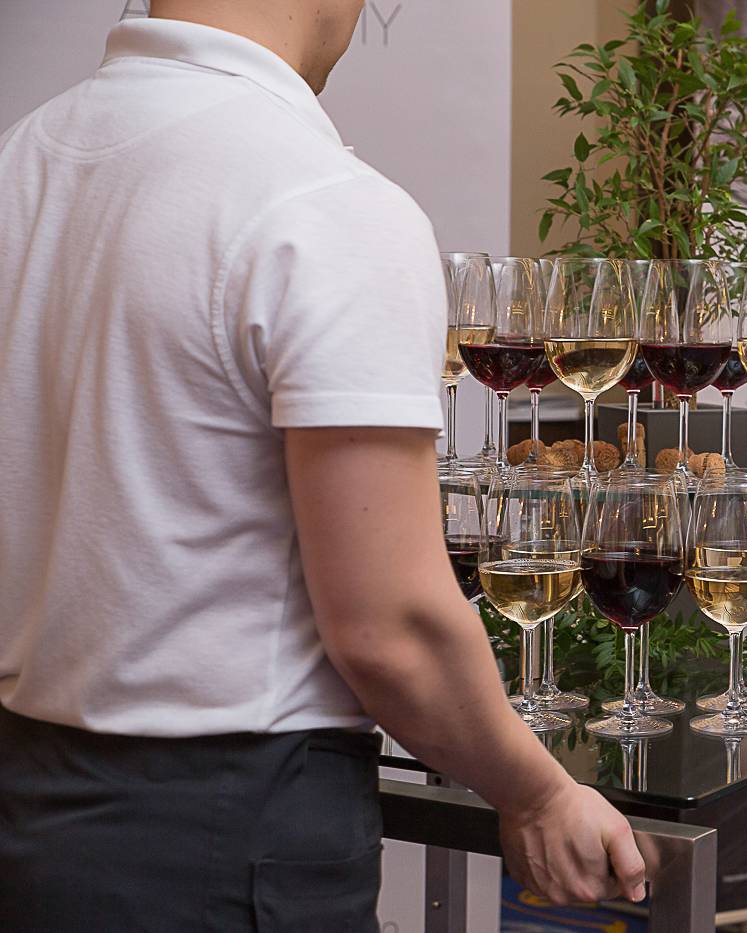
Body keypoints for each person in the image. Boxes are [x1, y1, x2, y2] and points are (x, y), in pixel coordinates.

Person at [0, 2, 644, 929]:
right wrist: (538, 791)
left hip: (28, 807)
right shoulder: (322, 199)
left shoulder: (24, 157)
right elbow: (390, 628)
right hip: (222, 838)